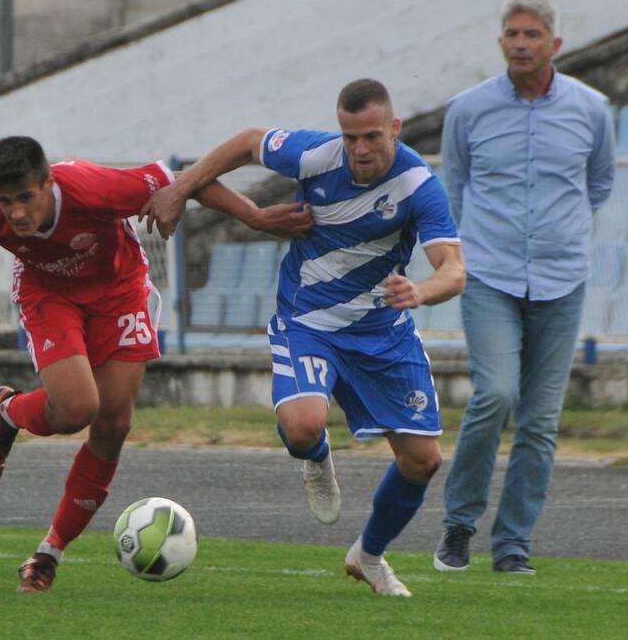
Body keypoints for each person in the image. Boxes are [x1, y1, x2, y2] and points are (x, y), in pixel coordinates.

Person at [0, 134, 311, 592]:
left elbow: (187, 180)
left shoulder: (93, 189)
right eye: (7, 202)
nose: (17, 214)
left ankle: (49, 552)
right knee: (76, 410)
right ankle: (7, 414)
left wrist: (253, 215)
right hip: (49, 296)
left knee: (113, 423)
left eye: (26, 198)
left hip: (120, 292)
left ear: (48, 183)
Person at [145, 78, 466, 597]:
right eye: (350, 137)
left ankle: (368, 555)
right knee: (301, 426)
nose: (359, 149)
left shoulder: (418, 185)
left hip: (382, 330)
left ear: (395, 129)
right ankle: (315, 457)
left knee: (423, 460)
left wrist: (422, 292)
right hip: (307, 321)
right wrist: (204, 197)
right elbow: (250, 141)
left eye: (371, 137)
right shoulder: (316, 155)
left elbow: (454, 269)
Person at [433, 0, 615, 575]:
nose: (519, 43)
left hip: (563, 280)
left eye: (531, 34)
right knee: (496, 396)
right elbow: (456, 183)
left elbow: (599, 183)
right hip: (491, 275)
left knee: (539, 421)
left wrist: (559, 236)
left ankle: (512, 543)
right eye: (511, 33)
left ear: (554, 44)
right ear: (501, 42)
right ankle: (459, 525)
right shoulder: (468, 108)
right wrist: (486, 242)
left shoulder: (592, 109)